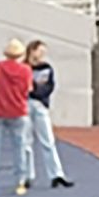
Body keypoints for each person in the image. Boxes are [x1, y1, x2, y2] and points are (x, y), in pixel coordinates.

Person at [0, 38, 34, 196]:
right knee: (19, 147)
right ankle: (20, 182)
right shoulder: (25, 70)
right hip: (18, 111)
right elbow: (28, 90)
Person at [23, 39, 74, 189]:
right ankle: (27, 175)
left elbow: (48, 87)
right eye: (40, 51)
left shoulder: (47, 68)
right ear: (32, 50)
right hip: (24, 105)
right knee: (26, 141)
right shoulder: (23, 67)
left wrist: (35, 91)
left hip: (40, 104)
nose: (42, 55)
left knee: (48, 140)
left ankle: (56, 174)